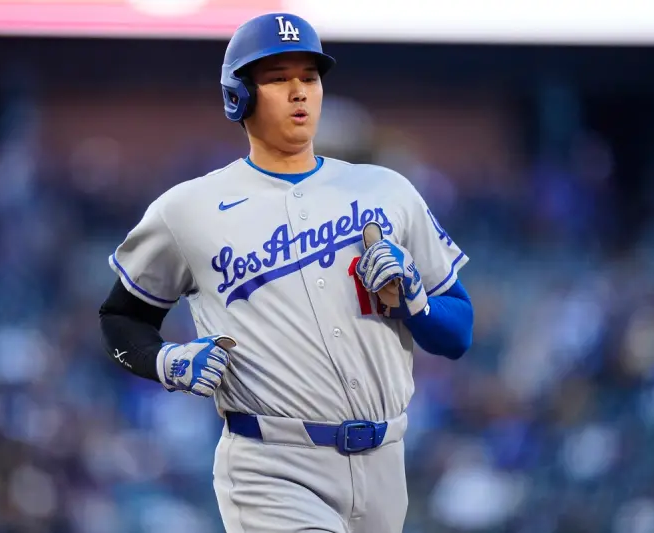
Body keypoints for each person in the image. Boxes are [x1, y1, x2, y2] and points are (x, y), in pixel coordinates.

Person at [98, 12, 473, 533]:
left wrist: (418, 304)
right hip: (271, 465)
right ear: (239, 97)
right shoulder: (188, 209)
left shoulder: (388, 191)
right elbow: (120, 317)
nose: (299, 92)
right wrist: (164, 360)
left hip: (386, 460)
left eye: (309, 77)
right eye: (278, 79)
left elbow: (459, 332)